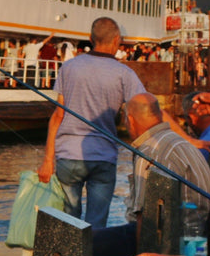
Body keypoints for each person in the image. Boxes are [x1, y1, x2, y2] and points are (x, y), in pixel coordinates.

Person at [91, 92, 210, 256]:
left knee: (85, 244)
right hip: (196, 235)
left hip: (169, 239)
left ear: (130, 120)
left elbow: (145, 218)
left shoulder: (149, 150)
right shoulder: (179, 141)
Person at [37, 17, 146, 229]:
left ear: (90, 39)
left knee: (68, 221)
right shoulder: (124, 73)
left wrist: (48, 159)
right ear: (117, 40)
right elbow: (145, 108)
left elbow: (58, 115)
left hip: (68, 155)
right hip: (104, 157)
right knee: (97, 224)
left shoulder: (69, 67)